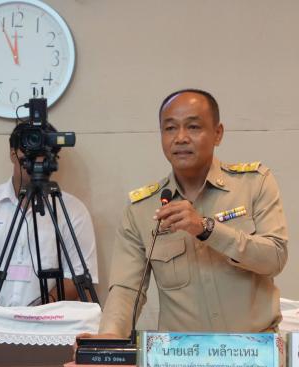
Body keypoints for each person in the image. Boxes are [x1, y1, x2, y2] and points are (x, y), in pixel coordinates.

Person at [96, 89, 288, 338]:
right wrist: (110, 335)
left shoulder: (254, 184)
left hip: (253, 349)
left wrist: (207, 229)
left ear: (217, 133)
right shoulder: (141, 209)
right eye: (170, 128)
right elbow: (126, 290)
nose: (180, 138)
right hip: (182, 354)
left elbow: (275, 257)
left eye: (193, 127)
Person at [0, 122, 98, 306]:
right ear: (13, 154)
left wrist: (37, 314)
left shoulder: (73, 210)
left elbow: (79, 274)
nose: (37, 161)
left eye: (44, 154)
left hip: (50, 319)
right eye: (31, 152)